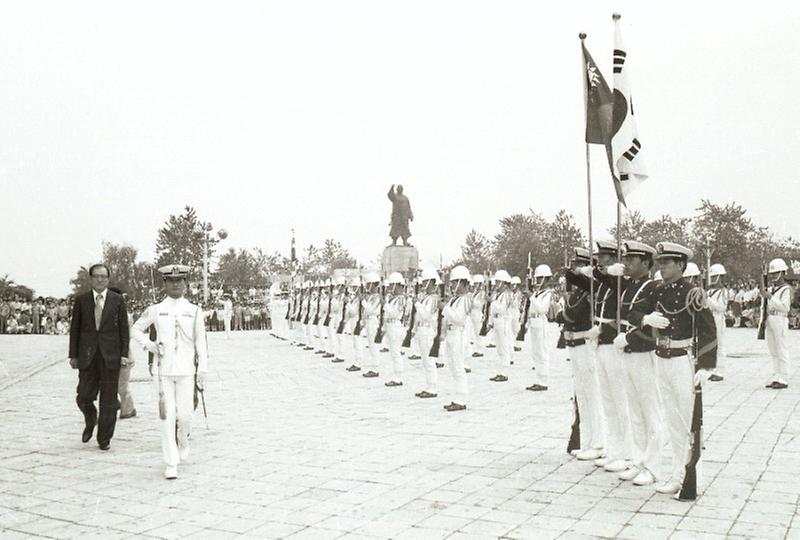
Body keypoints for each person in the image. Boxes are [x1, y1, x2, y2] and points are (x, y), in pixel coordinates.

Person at [650, 242, 717, 495]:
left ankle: (689, 473)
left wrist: (707, 365)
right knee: (672, 420)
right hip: (662, 357)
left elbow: (708, 329)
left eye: (667, 262)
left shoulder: (693, 293)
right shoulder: (658, 291)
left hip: (682, 360)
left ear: (680, 264)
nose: (662, 267)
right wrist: (647, 320)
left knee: (687, 420)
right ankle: (677, 473)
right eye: (660, 262)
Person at [131, 264, 208, 480]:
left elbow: (201, 342)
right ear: (165, 284)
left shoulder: (194, 310)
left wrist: (202, 368)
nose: (176, 284)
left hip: (186, 370)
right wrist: (151, 345)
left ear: (186, 284)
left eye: (180, 280)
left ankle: (182, 439)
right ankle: (170, 462)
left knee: (184, 416)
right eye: (171, 281)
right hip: (163, 371)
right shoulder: (156, 309)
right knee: (167, 416)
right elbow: (135, 329)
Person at [601, 241, 662, 487]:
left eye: (631, 260)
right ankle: (638, 459)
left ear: (646, 263)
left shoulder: (652, 287)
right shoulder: (628, 285)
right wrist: (607, 271)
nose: (625, 264)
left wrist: (631, 335)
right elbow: (602, 280)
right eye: (625, 259)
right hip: (625, 348)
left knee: (650, 412)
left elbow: (646, 322)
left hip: (643, 349)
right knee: (635, 411)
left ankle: (653, 465)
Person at [68, 263, 130, 451]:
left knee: (109, 400)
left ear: (108, 279)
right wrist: (73, 355)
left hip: (110, 356)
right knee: (84, 396)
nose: (100, 280)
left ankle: (104, 438)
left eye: (104, 276)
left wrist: (124, 354)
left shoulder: (117, 300)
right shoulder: (82, 300)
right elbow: (75, 329)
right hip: (87, 356)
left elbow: (124, 330)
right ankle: (90, 418)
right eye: (97, 276)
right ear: (91, 278)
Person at [561, 248, 604, 461]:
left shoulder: (592, 289)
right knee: (582, 396)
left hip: (586, 344)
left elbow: (574, 313)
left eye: (580, 263)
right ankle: (588, 440)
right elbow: (569, 275)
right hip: (574, 345)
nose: (575, 267)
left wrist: (592, 274)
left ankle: (598, 442)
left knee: (592, 395)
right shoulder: (579, 289)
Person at [442, 265, 472, 411]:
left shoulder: (466, 299)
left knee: (458, 367)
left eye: (454, 282)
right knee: (453, 367)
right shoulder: (455, 299)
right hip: (451, 333)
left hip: (459, 333)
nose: (452, 285)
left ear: (462, 282)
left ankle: (461, 399)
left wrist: (445, 308)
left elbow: (459, 318)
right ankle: (457, 397)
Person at [760, 258, 793, 389]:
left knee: (781, 349)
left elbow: (785, 307)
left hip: (780, 318)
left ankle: (784, 378)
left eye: (776, 273)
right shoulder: (772, 288)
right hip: (770, 319)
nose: (773, 276)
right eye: (772, 273)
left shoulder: (786, 289)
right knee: (773, 350)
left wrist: (770, 297)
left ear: (783, 273)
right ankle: (777, 376)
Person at [526, 265, 555, 391]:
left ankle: (543, 381)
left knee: (542, 352)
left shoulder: (547, 294)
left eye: (540, 278)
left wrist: (531, 297)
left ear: (546, 279)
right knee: (536, 353)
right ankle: (538, 379)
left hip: (541, 322)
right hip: (534, 322)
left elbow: (542, 309)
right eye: (536, 278)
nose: (537, 281)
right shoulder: (538, 293)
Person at [414, 268, 441, 398]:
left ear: (432, 282)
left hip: (427, 329)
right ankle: (429, 385)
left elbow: (426, 316)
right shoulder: (426, 298)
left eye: (426, 282)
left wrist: (417, 305)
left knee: (429, 361)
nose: (424, 284)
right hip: (421, 330)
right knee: (425, 360)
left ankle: (433, 387)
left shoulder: (433, 299)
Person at [383, 272, 408, 387]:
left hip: (395, 325)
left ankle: (398, 377)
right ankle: (396, 375)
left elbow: (394, 312)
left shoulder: (401, 299)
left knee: (396, 352)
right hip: (390, 325)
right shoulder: (393, 298)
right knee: (393, 353)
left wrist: (385, 305)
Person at [488, 270, 514, 382]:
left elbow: (501, 309)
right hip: (497, 321)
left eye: (498, 281)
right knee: (499, 347)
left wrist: (492, 302)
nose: (496, 284)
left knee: (504, 347)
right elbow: (492, 310)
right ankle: (501, 370)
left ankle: (505, 372)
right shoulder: (499, 295)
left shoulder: (507, 295)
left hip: (503, 321)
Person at [706, 264, 729, 382]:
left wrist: (707, 299)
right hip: (709, 318)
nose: (714, 279)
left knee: (720, 345)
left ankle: (720, 371)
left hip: (718, 317)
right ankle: (713, 369)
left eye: (716, 276)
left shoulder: (723, 292)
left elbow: (721, 307)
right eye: (712, 276)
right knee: (711, 345)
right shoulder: (709, 291)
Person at [344, 277, 364, 373]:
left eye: (355, 287)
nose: (353, 289)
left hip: (357, 321)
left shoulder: (360, 299)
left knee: (358, 342)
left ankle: (358, 362)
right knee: (355, 343)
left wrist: (347, 303)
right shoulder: (355, 299)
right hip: (353, 321)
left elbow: (353, 311)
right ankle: (357, 361)